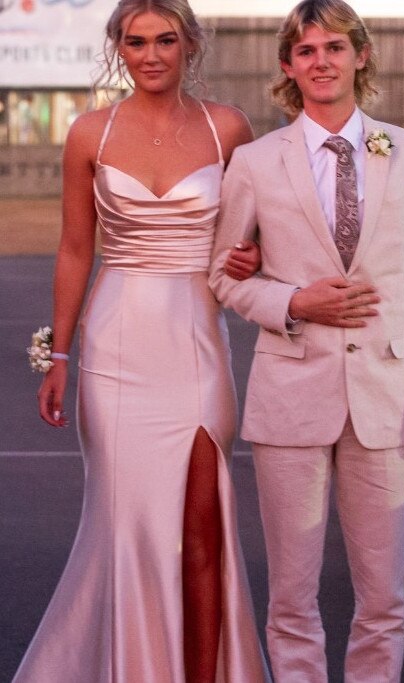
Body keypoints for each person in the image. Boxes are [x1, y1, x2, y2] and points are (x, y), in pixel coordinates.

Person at [14, 1, 269, 681]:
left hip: (196, 343)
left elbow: (258, 239)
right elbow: (74, 249)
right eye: (136, 41)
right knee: (125, 527)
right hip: (113, 345)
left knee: (202, 523)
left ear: (191, 45)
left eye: (165, 40)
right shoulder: (89, 134)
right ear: (118, 49)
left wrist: (249, 256)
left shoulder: (229, 129)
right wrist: (59, 355)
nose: (151, 54)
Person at [209, 1, 404, 681]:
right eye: (307, 50)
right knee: (292, 596)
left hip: (387, 398)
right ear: (288, 65)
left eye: (335, 48)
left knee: (383, 595)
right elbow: (223, 277)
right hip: (291, 397)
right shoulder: (256, 162)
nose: (322, 62)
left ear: (361, 55)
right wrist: (293, 300)